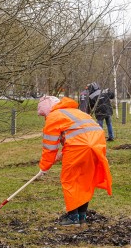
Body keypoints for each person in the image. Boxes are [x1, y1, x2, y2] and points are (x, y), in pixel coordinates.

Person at [37, 95, 113, 226]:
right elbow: (77, 133)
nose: (45, 118)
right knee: (85, 179)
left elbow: (49, 147)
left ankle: (73, 217)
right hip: (97, 145)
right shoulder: (75, 112)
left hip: (79, 147)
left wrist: (45, 166)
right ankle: (82, 215)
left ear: (47, 110)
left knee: (70, 180)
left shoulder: (53, 116)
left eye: (44, 115)